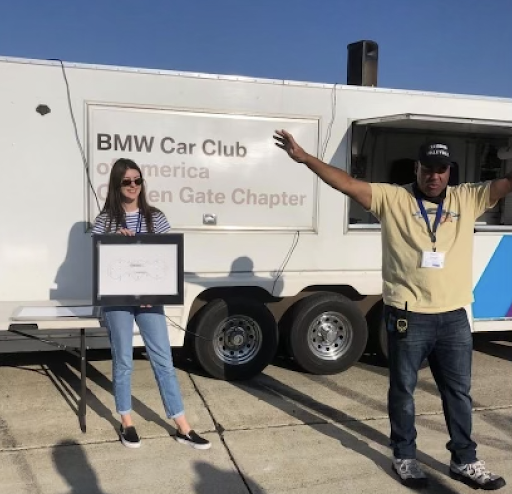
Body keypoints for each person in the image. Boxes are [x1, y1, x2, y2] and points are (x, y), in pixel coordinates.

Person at [274, 130, 507, 490]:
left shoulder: (468, 198)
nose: (434, 176)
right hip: (408, 315)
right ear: (417, 168)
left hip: (454, 318)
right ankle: (405, 456)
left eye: (441, 169)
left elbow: (505, 184)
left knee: (458, 393)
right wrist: (305, 158)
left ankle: (464, 460)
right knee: (403, 390)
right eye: (428, 168)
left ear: (450, 171)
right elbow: (348, 184)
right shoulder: (393, 198)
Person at [92, 158, 211, 451]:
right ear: (117, 185)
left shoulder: (155, 217)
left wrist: (155, 293)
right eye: (127, 181)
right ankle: (127, 422)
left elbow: (165, 260)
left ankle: (182, 425)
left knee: (163, 360)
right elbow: (98, 261)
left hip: (150, 301)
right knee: (123, 360)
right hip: (117, 301)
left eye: (138, 180)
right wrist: (112, 238)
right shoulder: (104, 220)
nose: (133, 186)